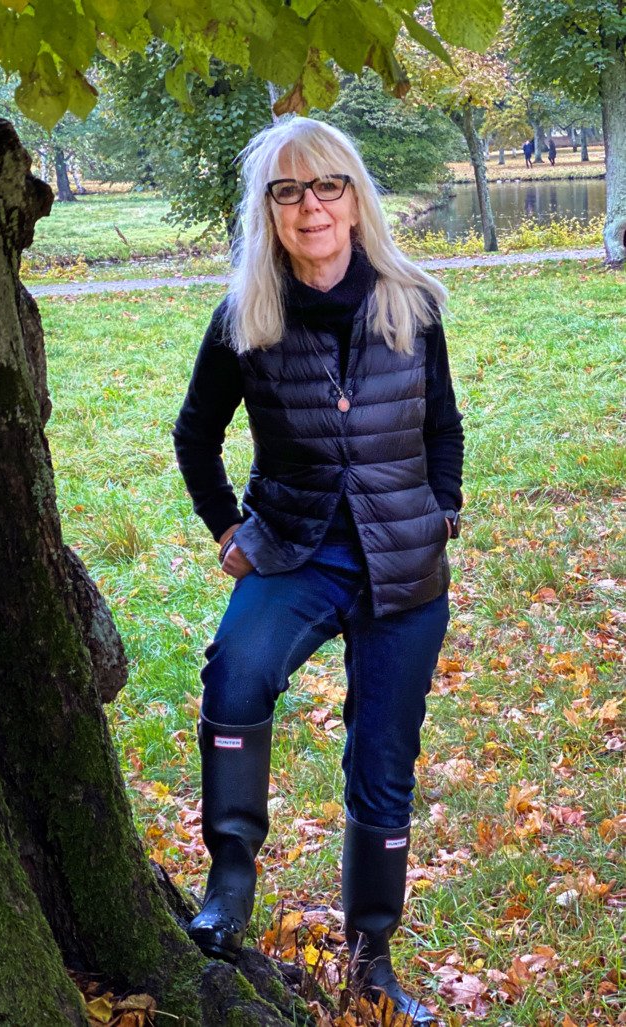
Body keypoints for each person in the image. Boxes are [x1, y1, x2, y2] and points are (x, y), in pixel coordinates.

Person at [173, 117, 464, 1022]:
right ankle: (229, 881)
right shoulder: (245, 317)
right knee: (237, 671)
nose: (311, 207)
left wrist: (442, 508)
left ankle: (372, 958)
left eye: (327, 185)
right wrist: (228, 526)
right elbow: (194, 436)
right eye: (288, 191)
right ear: (268, 210)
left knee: (383, 763)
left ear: (356, 195)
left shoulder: (410, 303)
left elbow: (444, 428)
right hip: (296, 548)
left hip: (403, 568)